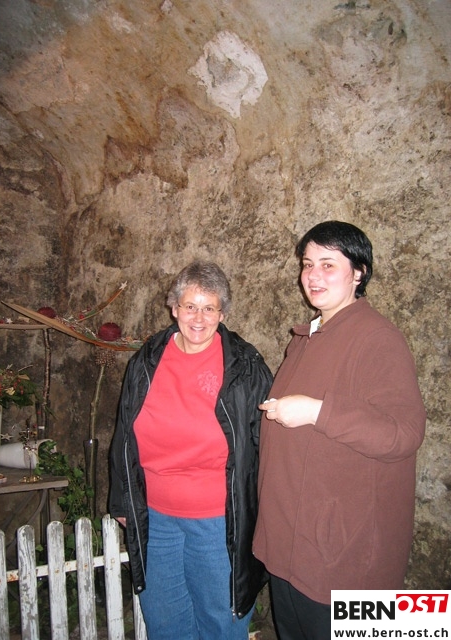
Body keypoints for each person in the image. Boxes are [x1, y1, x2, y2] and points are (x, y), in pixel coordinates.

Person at [253, 220, 426, 640]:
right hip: (291, 546)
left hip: (341, 558)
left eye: (328, 264)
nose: (313, 275)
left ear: (359, 273)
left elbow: (403, 433)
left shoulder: (378, 339)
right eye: (307, 264)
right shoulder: (307, 338)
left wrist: (317, 411)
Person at [109, 260, 273, 640]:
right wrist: (121, 501)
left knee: (221, 623)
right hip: (155, 520)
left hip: (218, 523)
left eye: (209, 308)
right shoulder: (147, 360)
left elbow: (264, 443)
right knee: (165, 622)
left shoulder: (244, 366)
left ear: (223, 313)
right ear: (174, 308)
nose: (198, 318)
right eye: (190, 306)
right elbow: (123, 432)